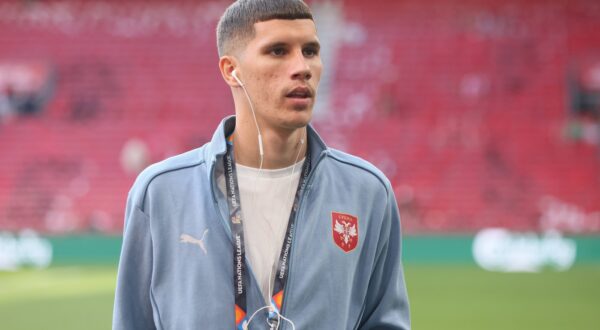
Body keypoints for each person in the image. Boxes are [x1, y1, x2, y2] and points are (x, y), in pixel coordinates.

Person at [112, 0, 410, 329]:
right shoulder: (160, 193)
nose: (302, 67)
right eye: (278, 51)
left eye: (310, 51)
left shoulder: (367, 192)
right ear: (231, 70)